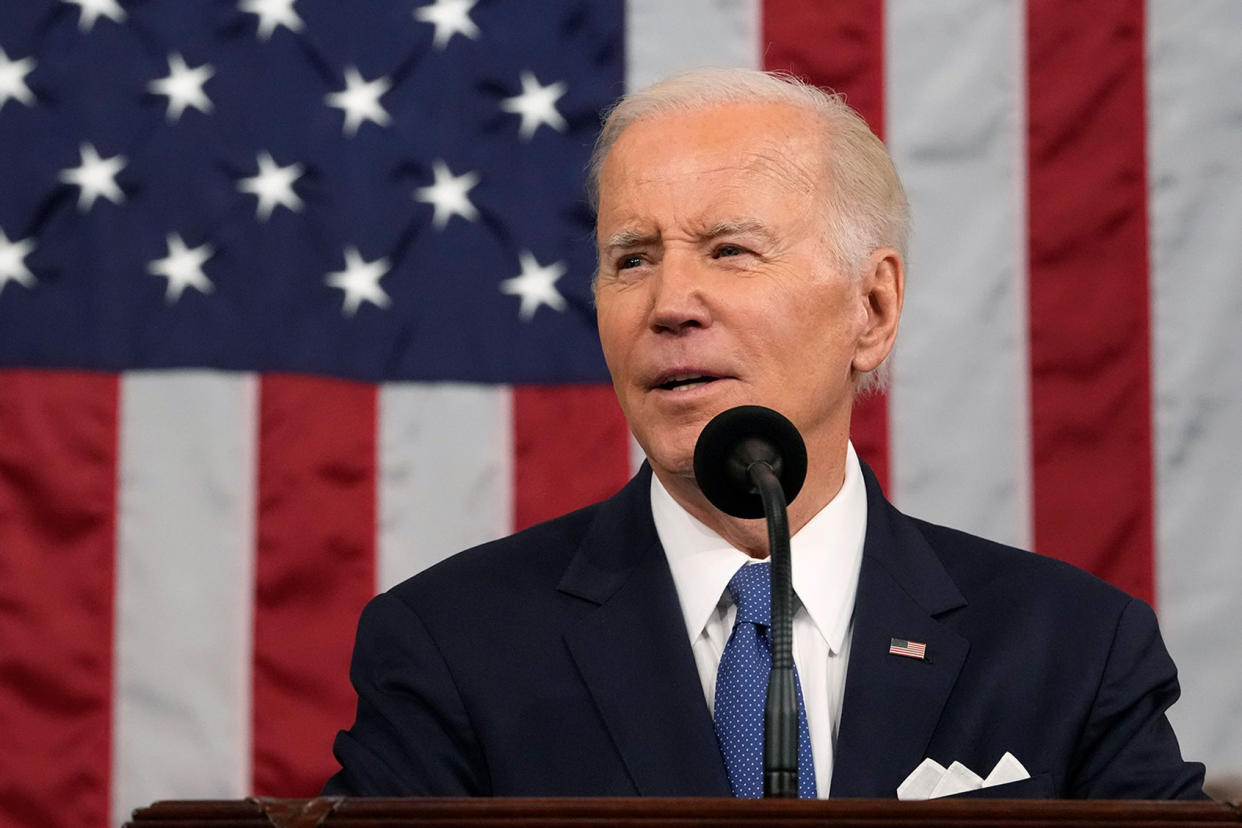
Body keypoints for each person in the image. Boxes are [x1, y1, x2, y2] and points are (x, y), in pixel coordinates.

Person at [323, 68, 1206, 800]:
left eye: (730, 251)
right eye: (631, 259)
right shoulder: (452, 645)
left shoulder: (1074, 648)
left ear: (874, 307)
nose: (668, 305)